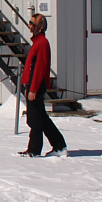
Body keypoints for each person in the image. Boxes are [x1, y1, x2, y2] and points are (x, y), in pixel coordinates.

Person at [18, 13, 67, 157]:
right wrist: (28, 86)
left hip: (36, 86)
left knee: (35, 119)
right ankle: (59, 145)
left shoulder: (42, 43)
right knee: (40, 118)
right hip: (33, 85)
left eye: (32, 23)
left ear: (39, 26)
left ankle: (34, 150)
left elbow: (39, 68)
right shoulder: (38, 43)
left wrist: (33, 89)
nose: (29, 26)